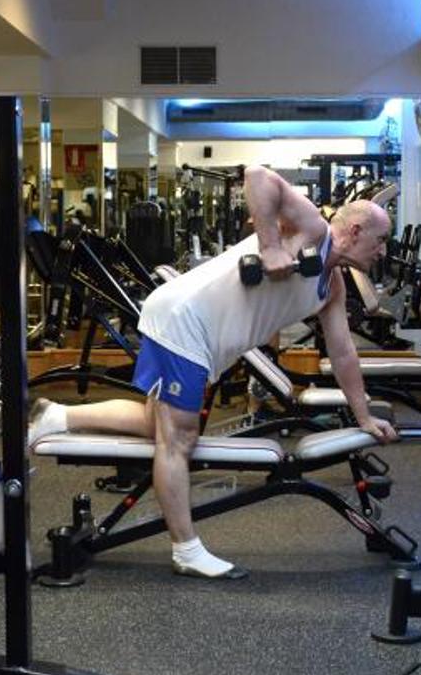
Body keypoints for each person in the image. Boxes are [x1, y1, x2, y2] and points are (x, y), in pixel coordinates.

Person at [28, 165, 397, 579]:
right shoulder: (310, 226)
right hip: (184, 322)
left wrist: (363, 415)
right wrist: (272, 245)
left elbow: (344, 352)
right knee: (180, 438)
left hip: (203, 341)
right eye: (381, 240)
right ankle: (186, 549)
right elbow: (258, 175)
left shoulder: (332, 286)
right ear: (355, 231)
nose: (383, 251)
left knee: (159, 423)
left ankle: (57, 416)